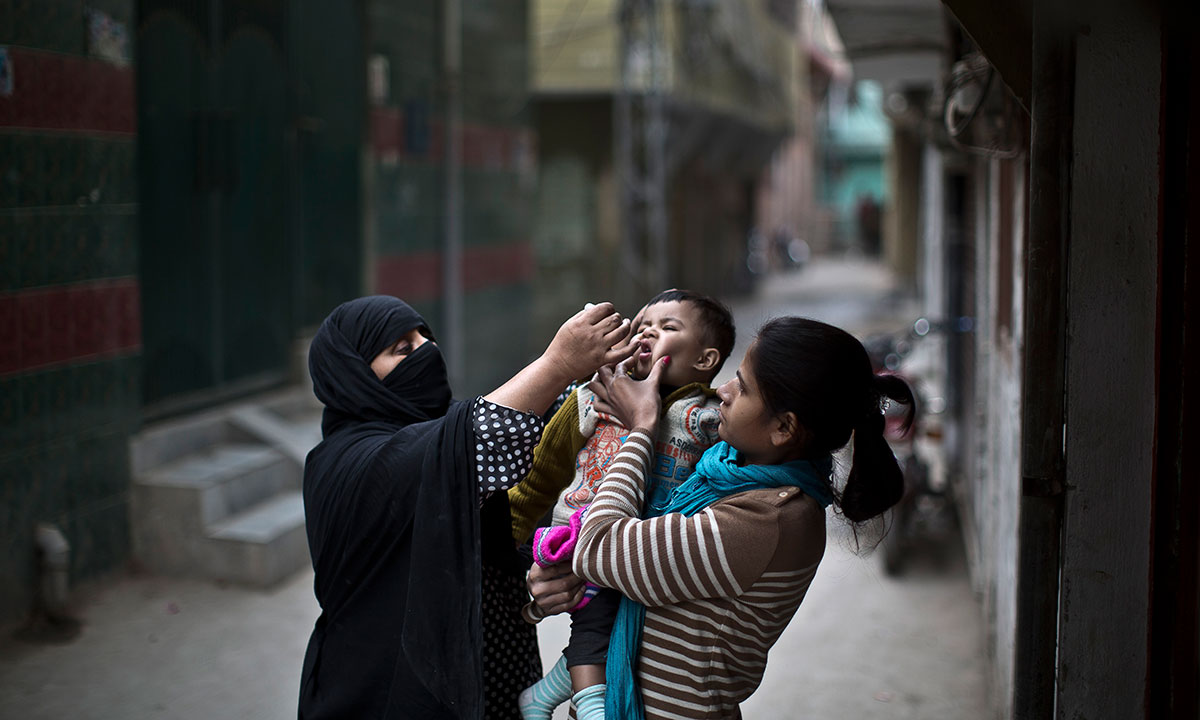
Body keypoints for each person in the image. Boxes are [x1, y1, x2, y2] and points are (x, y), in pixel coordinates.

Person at [560, 316, 916, 719]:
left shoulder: (769, 518)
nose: (720, 390)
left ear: (784, 428)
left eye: (743, 387)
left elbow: (599, 546)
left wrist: (641, 428)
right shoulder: (728, 469)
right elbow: (636, 550)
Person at [298, 295, 635, 720]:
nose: (427, 351)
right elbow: (474, 440)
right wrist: (560, 363)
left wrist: (537, 572)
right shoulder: (344, 464)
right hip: (386, 695)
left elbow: (467, 536)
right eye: (402, 348)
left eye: (427, 337)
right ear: (353, 376)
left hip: (495, 683)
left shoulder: (433, 430)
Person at [510, 290, 735, 719]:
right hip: (582, 544)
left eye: (669, 327)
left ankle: (545, 693)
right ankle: (593, 708)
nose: (648, 330)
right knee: (594, 628)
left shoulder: (707, 417)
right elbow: (538, 479)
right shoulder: (589, 400)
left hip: (648, 558)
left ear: (705, 361)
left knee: (623, 638)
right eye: (642, 324)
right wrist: (504, 543)